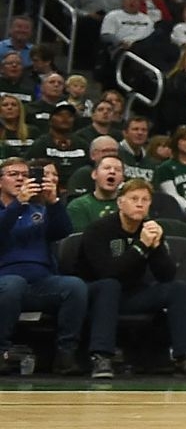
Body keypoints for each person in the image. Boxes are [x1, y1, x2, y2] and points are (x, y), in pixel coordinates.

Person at [80, 178, 186, 378]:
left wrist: (157, 246)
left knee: (178, 288)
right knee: (110, 285)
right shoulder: (99, 230)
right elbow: (106, 272)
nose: (140, 203)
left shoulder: (150, 230)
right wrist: (141, 246)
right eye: (134, 198)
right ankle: (102, 357)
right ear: (120, 202)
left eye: (145, 199)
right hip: (95, 293)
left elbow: (165, 275)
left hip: (132, 294)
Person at [0, 155, 87, 374]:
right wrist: (18, 204)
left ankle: (65, 355)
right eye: (13, 174)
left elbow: (63, 231)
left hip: (40, 283)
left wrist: (54, 202)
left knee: (74, 286)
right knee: (13, 284)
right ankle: (1, 352)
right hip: (5, 281)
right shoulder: (11, 209)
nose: (21, 179)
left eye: (25, 175)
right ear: (0, 181)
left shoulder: (38, 210)